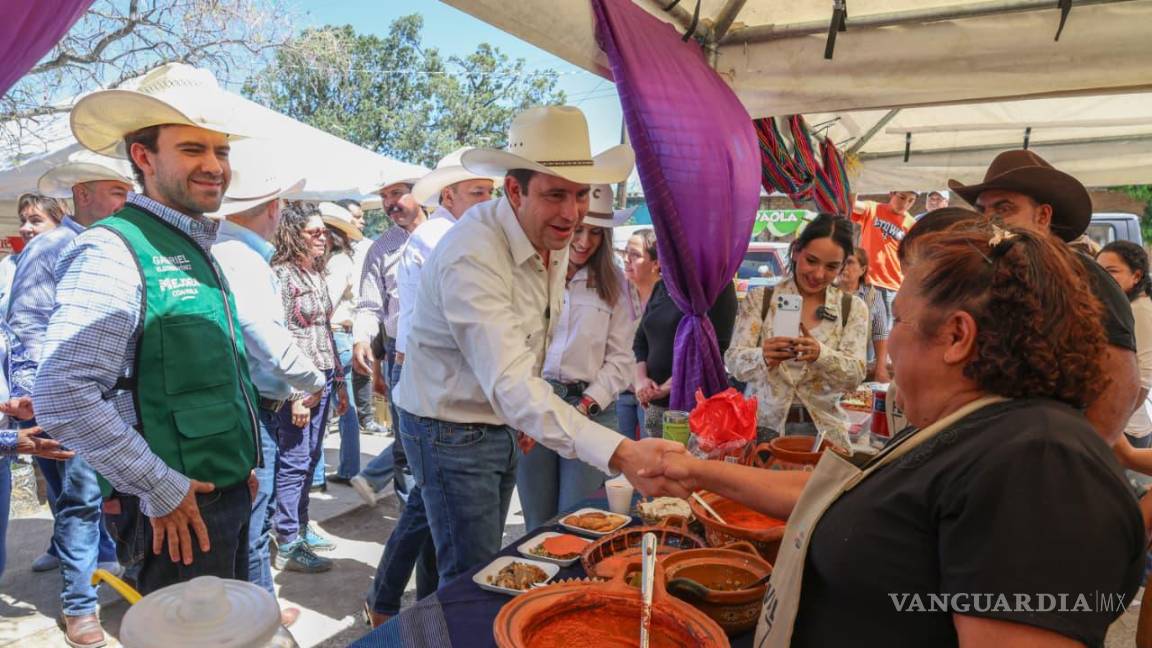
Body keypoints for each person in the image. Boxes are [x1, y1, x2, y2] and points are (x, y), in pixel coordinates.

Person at [647, 219, 1145, 647]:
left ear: (956, 337)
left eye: (901, 319)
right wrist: (694, 471)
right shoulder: (972, 430)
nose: (888, 353)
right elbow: (835, 493)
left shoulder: (1038, 466)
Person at [393, 105, 689, 585]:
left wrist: (526, 414)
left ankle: (412, 613)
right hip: (450, 427)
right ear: (515, 190)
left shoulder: (546, 233)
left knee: (471, 563)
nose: (572, 213)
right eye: (556, 195)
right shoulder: (473, 253)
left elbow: (527, 348)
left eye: (580, 194)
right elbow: (510, 381)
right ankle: (422, 616)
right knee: (472, 576)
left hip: (493, 419)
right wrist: (623, 453)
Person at [34, 63, 261, 598]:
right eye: (192, 150)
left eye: (221, 151)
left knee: (227, 629)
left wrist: (240, 461)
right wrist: (161, 487)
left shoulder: (189, 243)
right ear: (143, 156)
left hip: (217, 493)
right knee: (194, 632)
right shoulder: (112, 248)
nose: (214, 166)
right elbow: (62, 393)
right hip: (176, 512)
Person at [3, 151, 132, 646]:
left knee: (115, 492)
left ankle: (119, 570)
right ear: (83, 194)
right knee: (80, 499)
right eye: (116, 192)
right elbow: (25, 321)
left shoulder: (121, 244)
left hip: (121, 397)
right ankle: (79, 606)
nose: (125, 202)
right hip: (71, 398)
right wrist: (35, 394)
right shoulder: (54, 245)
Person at [364, 147, 494, 627]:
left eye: (489, 192)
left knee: (428, 497)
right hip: (430, 375)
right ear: (449, 196)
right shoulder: (441, 237)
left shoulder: (452, 233)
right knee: (428, 495)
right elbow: (443, 325)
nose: (487, 201)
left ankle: (399, 600)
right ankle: (403, 602)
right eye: (478, 192)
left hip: (432, 372)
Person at [948, 149, 1140, 446]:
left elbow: (1121, 382)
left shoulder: (1085, 276)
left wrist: (1079, 453)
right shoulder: (988, 271)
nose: (988, 220)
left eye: (1003, 208)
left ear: (1042, 216)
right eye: (982, 210)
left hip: (1051, 447)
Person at [210, 173, 326, 604]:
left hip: (243, 400)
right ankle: (261, 617)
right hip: (252, 404)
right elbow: (262, 334)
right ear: (274, 209)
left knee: (248, 520)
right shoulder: (242, 257)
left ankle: (256, 608)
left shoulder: (227, 250)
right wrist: (310, 379)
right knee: (253, 523)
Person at [514, 184, 633, 529]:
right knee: (537, 521)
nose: (584, 241)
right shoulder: (533, 273)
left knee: (577, 520)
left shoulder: (616, 284)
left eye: (596, 233)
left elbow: (621, 359)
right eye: (580, 229)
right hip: (536, 402)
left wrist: (585, 405)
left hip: (591, 409)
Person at [726, 214, 867, 448]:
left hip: (823, 433)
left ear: (842, 266)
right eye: (811, 261)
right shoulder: (761, 299)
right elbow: (733, 363)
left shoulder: (852, 308)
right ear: (796, 252)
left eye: (831, 267)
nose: (818, 274)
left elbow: (856, 375)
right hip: (763, 429)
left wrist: (821, 355)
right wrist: (763, 356)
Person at [268, 204, 349, 572]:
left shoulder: (316, 273)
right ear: (293, 235)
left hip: (325, 375)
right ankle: (287, 539)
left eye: (323, 232)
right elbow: (279, 335)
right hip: (300, 382)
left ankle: (300, 526)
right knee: (295, 460)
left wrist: (340, 381)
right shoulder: (281, 275)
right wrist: (296, 392)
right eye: (314, 232)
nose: (322, 238)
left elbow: (325, 330)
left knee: (312, 457)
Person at [350, 175, 425, 506]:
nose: (389, 203)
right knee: (406, 443)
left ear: (419, 193)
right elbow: (369, 305)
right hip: (400, 355)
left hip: (447, 354)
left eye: (397, 193)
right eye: (384, 196)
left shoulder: (447, 236)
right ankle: (412, 516)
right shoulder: (381, 248)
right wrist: (361, 339)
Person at [634, 259, 737, 438]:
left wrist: (666, 388)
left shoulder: (718, 286)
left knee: (686, 456)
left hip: (692, 408)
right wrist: (641, 381)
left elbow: (715, 352)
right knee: (655, 455)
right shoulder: (662, 286)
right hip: (654, 406)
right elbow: (640, 341)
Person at [316, 201, 364, 487]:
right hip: (339, 335)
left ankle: (326, 472)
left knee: (330, 407)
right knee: (343, 407)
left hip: (334, 336)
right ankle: (348, 468)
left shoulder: (337, 263)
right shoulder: (341, 260)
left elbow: (325, 305)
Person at [1097, 241, 1152, 451]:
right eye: (1099, 271)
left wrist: (1113, 424)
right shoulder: (1123, 307)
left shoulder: (1140, 310)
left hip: (1125, 431)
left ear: (1136, 276)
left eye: (1112, 271)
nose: (1103, 278)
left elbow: (1144, 379)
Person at [616, 228, 660, 439]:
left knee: (649, 454)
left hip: (654, 394)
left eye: (635, 255)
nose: (627, 259)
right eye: (625, 253)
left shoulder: (670, 297)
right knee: (616, 453)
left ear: (656, 263)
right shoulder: (618, 290)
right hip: (619, 391)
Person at [850, 190, 917, 319]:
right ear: (892, 193)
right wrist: (855, 184)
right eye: (902, 197)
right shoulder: (874, 208)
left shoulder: (912, 224)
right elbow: (851, 205)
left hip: (893, 285)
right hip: (868, 281)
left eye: (911, 200)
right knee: (862, 324)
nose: (905, 204)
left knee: (885, 329)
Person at [0, 194, 66, 316]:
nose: (24, 229)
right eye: (23, 221)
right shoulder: (9, 264)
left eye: (35, 221)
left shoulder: (72, 265)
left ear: (60, 224)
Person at [837, 247, 891, 382]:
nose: (844, 267)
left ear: (862, 269)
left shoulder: (872, 296)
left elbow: (880, 333)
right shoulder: (826, 293)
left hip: (858, 368)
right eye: (841, 262)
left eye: (850, 262)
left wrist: (880, 368)